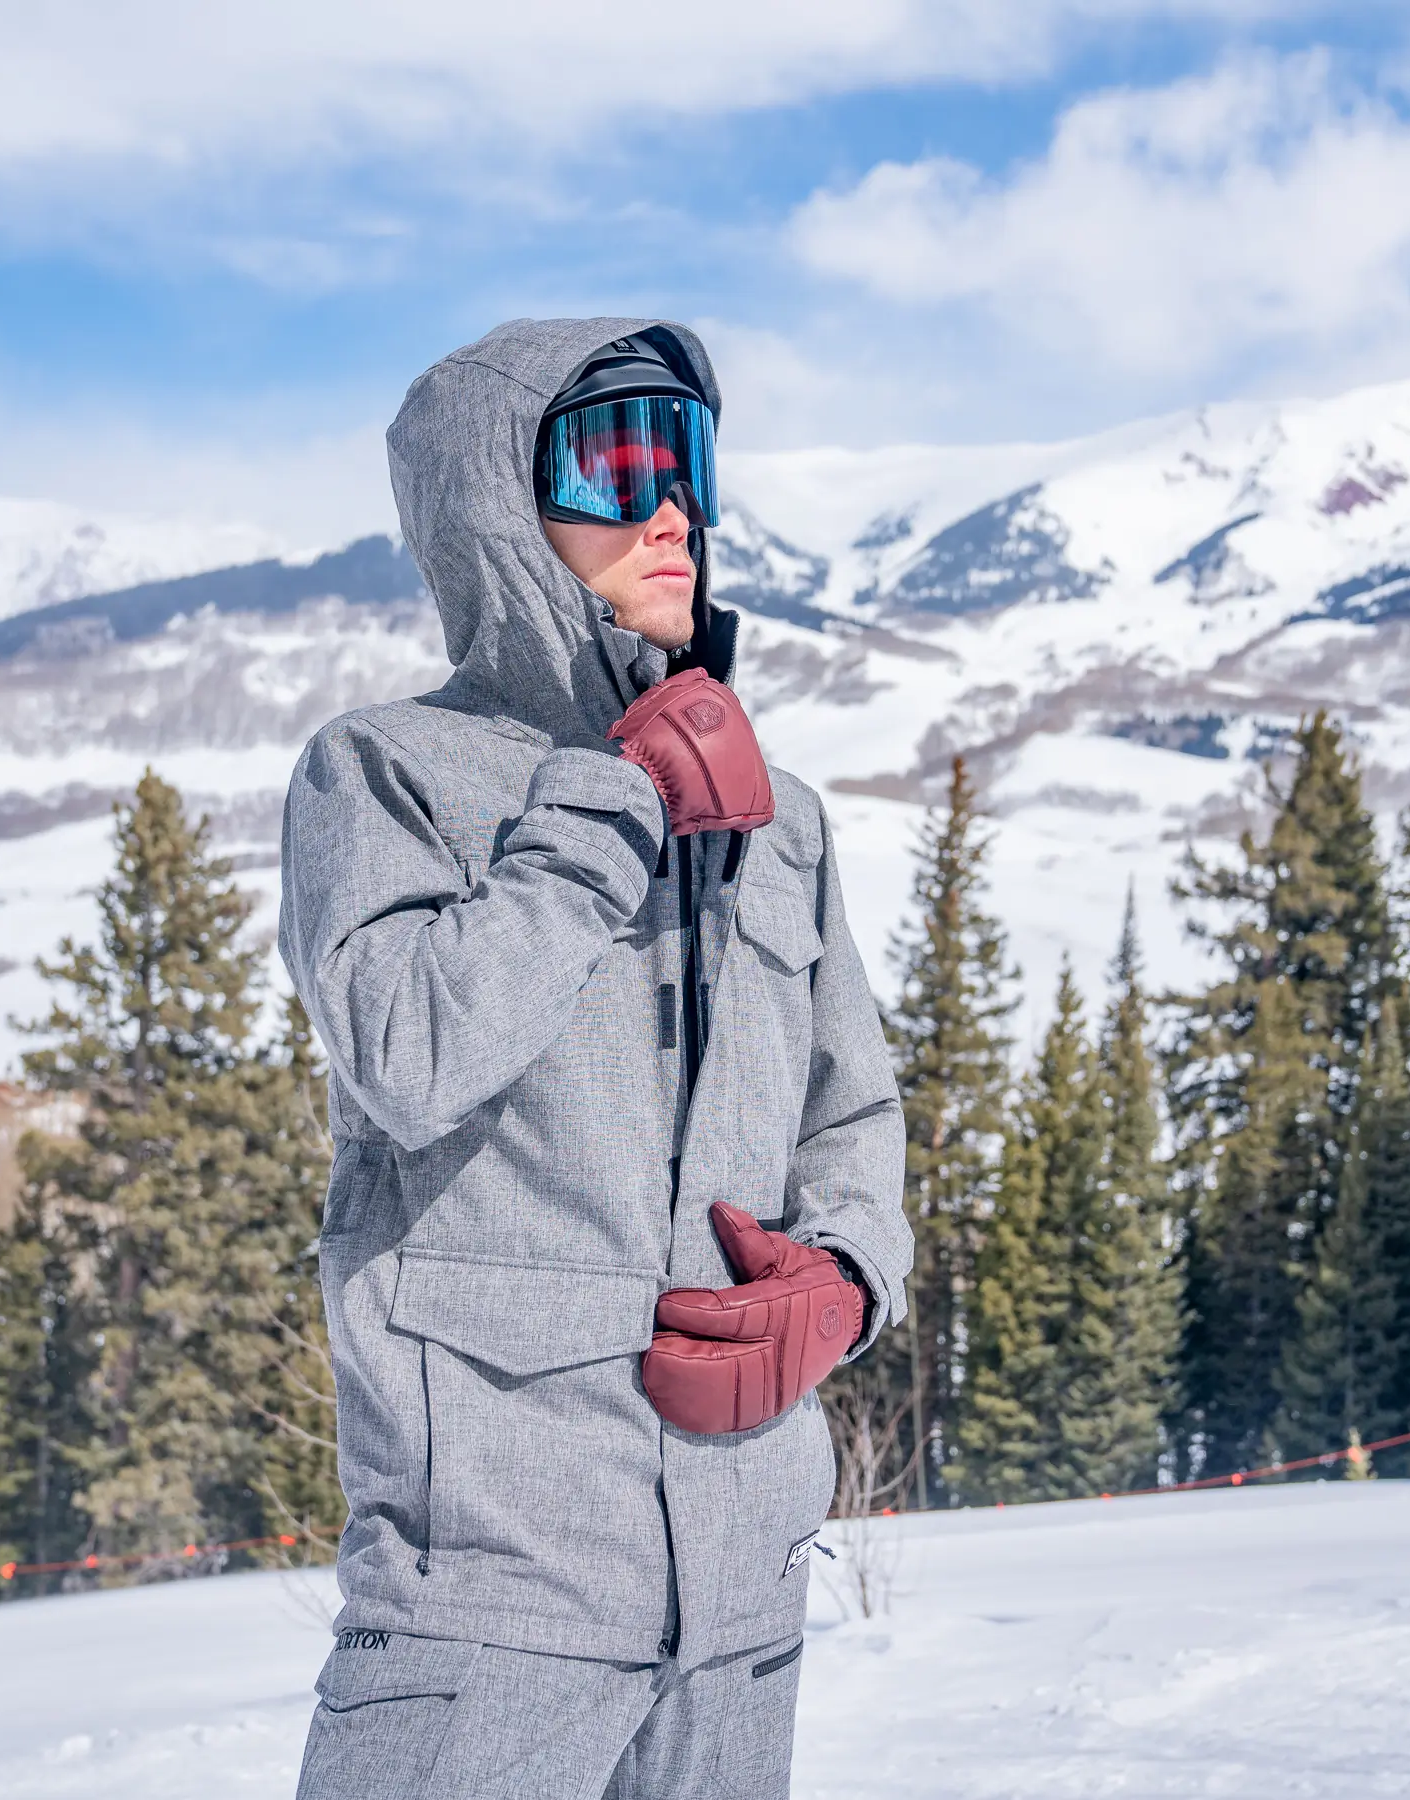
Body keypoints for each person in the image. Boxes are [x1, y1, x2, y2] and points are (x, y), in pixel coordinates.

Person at [278, 318, 912, 1798]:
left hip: (743, 1593)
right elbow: (402, 1051)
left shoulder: (784, 821)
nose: (673, 507)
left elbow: (854, 1107)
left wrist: (847, 1280)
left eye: (687, 462)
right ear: (501, 507)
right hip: (491, 1596)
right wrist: (604, 811)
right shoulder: (384, 772)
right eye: (622, 462)